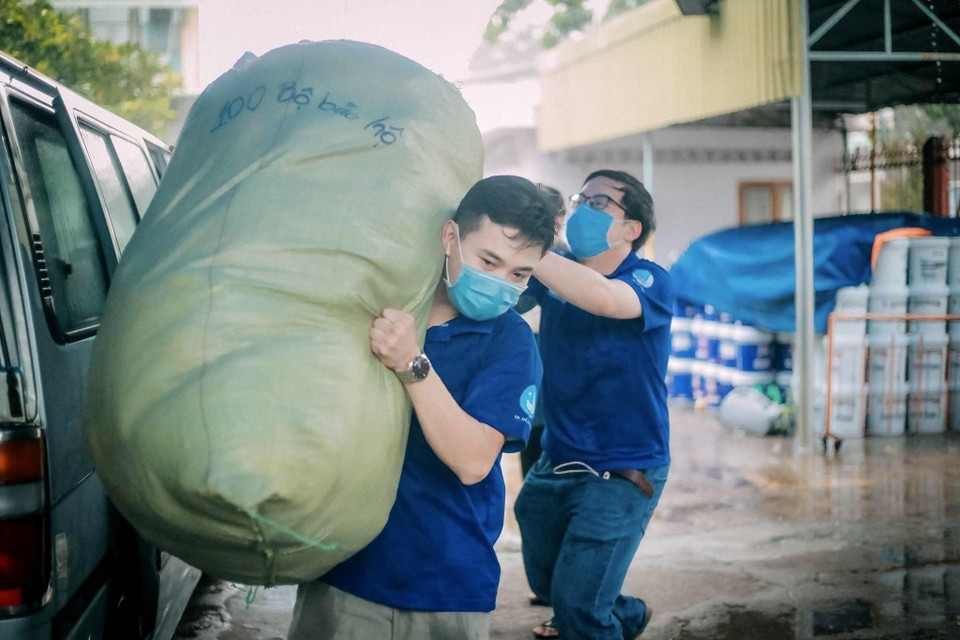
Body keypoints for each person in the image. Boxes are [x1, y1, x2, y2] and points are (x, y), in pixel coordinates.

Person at [286, 175, 558, 640]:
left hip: (448, 585)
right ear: (449, 237)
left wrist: (411, 363)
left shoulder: (509, 340)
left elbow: (473, 461)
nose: (500, 283)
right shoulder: (377, 305)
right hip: (344, 571)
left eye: (520, 274)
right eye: (488, 260)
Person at [513, 169, 674, 640]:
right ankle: (622, 614)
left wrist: (532, 249)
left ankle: (595, 616)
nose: (583, 208)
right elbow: (501, 296)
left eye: (599, 202)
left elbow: (603, 298)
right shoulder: (556, 274)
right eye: (580, 198)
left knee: (577, 612)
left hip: (623, 469)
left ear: (632, 230)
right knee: (550, 584)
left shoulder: (649, 280)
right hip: (558, 461)